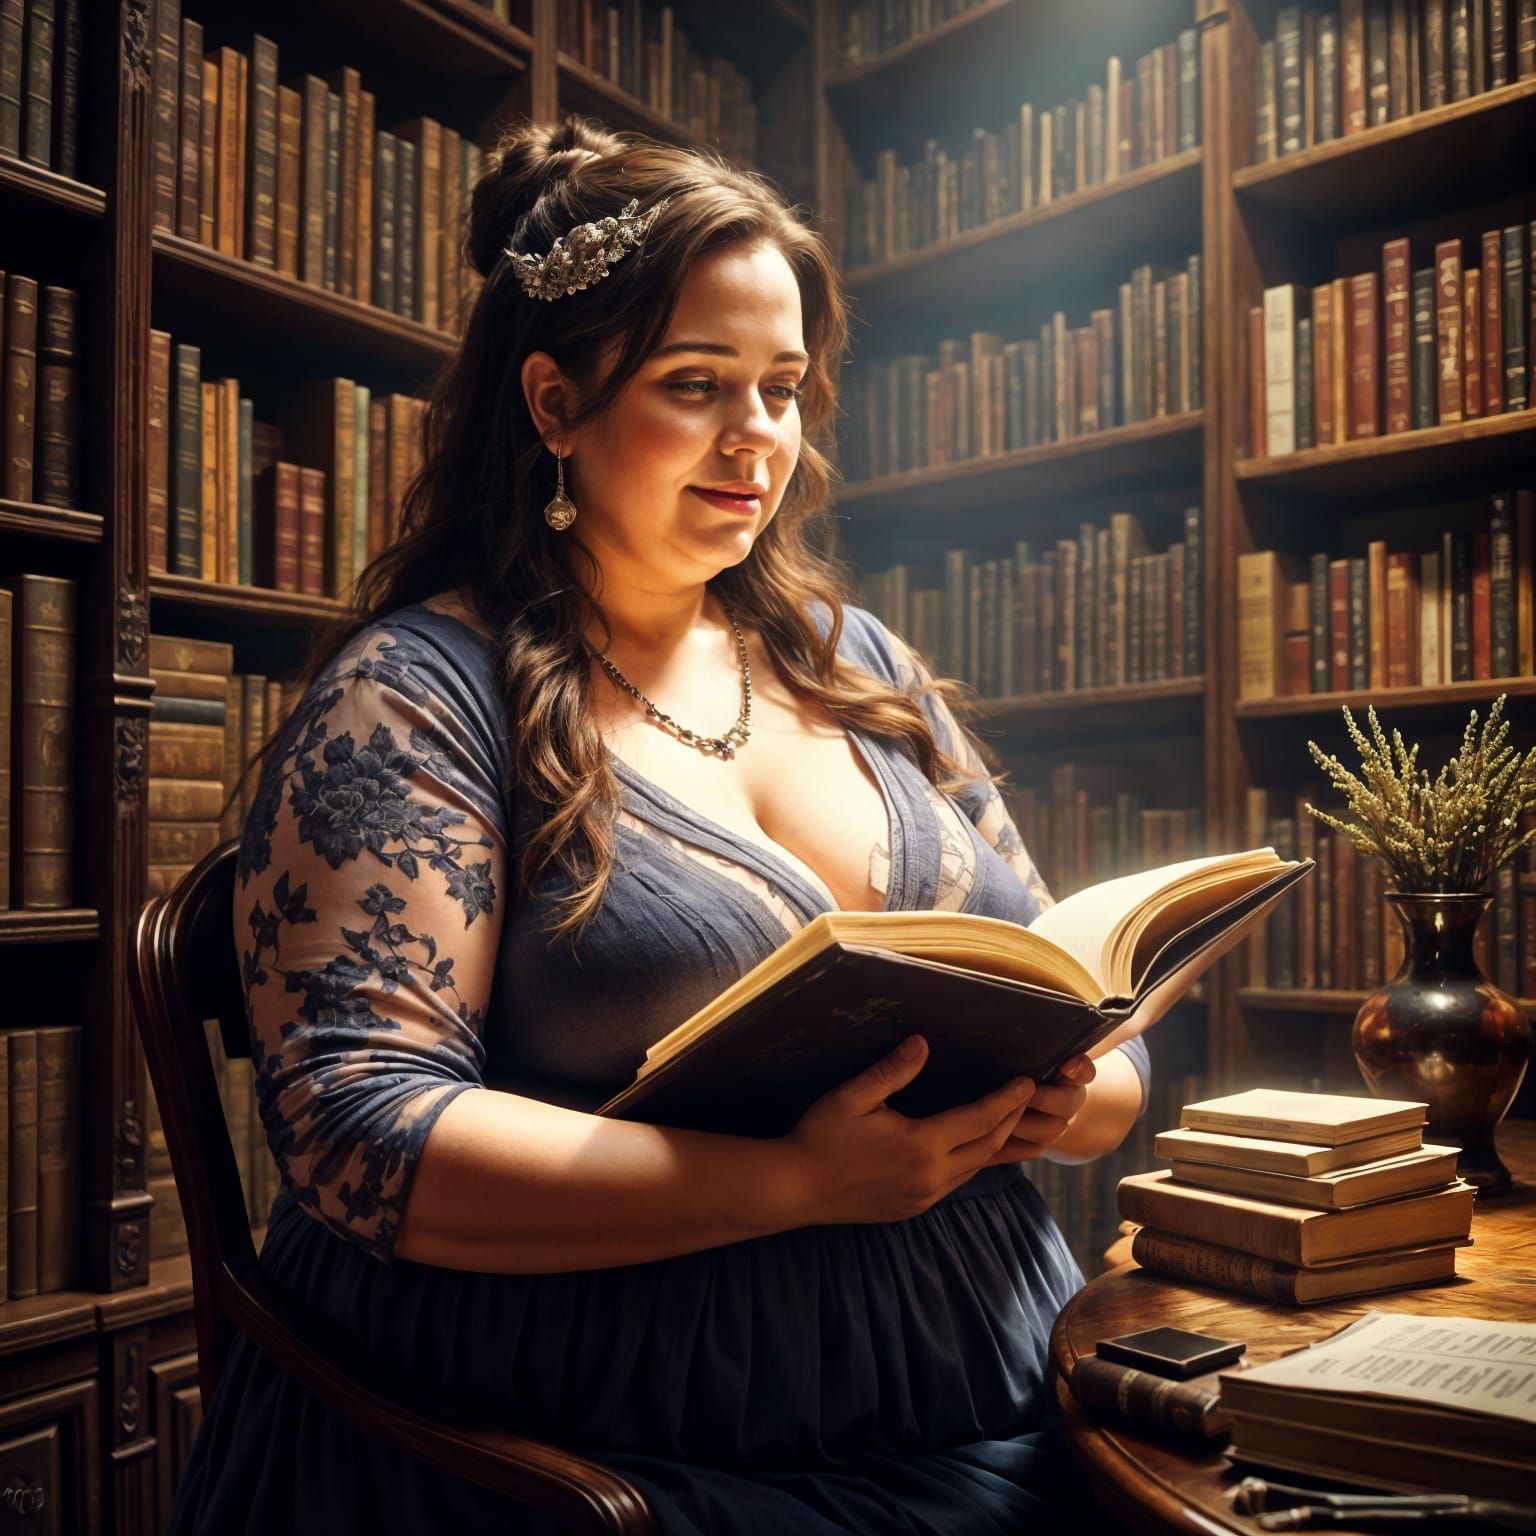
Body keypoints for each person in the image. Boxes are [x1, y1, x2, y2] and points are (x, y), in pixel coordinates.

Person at [166, 115, 1153, 1535]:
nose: (759, 438)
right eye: (697, 385)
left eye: (783, 388)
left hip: (1004, 1378)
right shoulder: (416, 696)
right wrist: (797, 1183)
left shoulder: (855, 659)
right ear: (554, 404)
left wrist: (1065, 1094)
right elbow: (355, 1137)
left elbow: (1083, 999)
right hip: (614, 1434)